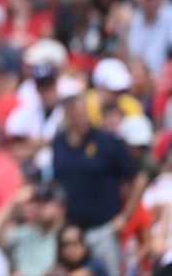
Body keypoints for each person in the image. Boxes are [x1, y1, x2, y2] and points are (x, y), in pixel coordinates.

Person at [52, 93, 143, 276]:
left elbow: (138, 178)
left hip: (103, 229)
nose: (81, 119)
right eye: (75, 114)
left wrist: (125, 215)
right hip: (72, 232)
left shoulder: (106, 142)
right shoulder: (59, 143)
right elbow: (57, 181)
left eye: (83, 113)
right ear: (67, 116)